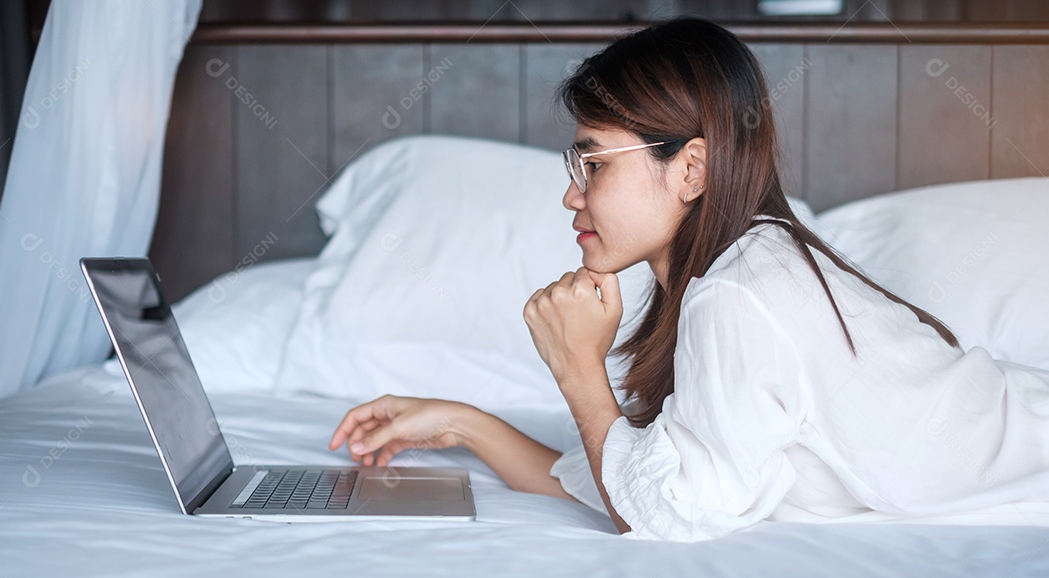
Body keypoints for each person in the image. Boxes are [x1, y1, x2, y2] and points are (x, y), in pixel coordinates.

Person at [328, 17, 1049, 542]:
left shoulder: (743, 292)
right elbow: (630, 478)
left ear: (693, 168)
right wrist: (462, 422)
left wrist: (580, 373)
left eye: (595, 164)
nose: (572, 196)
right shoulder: (730, 277)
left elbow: (665, 515)